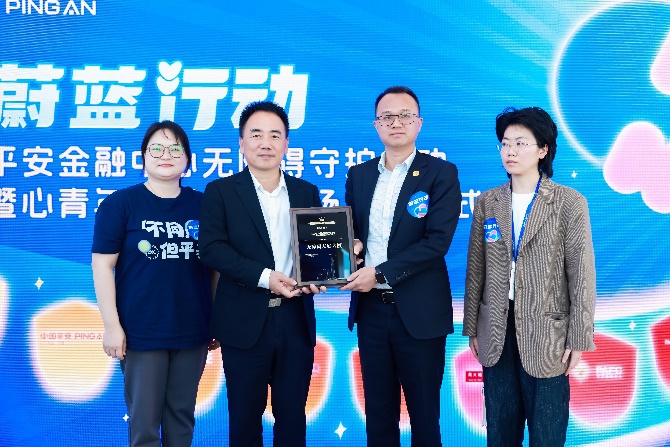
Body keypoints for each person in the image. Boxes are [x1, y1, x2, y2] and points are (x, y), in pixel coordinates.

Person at [462, 106, 596, 447]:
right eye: (505, 143)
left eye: (521, 143)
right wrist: (472, 327)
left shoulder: (569, 202)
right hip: (496, 330)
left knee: (547, 434)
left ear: (543, 149)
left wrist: (579, 337)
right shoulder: (488, 202)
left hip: (548, 333)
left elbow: (581, 274)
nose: (510, 151)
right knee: (500, 433)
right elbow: (476, 268)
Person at [341, 86, 462, 446]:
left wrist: (379, 273)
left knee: (424, 415)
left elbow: (437, 242)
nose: (397, 122)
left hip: (419, 313)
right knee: (378, 414)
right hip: (371, 311)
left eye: (405, 115)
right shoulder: (359, 175)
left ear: (419, 123)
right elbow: (352, 232)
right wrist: (353, 247)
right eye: (387, 117)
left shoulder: (440, 173)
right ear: (376, 125)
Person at [199, 101, 325, 447]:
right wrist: (265, 276)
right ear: (241, 143)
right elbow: (212, 249)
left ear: (286, 144)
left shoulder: (306, 191)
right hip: (243, 322)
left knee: (292, 420)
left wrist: (321, 274)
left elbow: (317, 250)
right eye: (256, 135)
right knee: (244, 420)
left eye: (274, 135)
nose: (265, 143)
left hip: (295, 320)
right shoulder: (221, 192)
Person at [92, 121, 216, 447]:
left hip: (192, 332)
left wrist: (217, 320)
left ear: (187, 159)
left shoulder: (205, 205)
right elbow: (102, 265)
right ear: (143, 157)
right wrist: (112, 327)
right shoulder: (120, 204)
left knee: (181, 420)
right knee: (144, 425)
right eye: (156, 148)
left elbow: (216, 269)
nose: (166, 155)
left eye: (175, 148)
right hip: (141, 333)